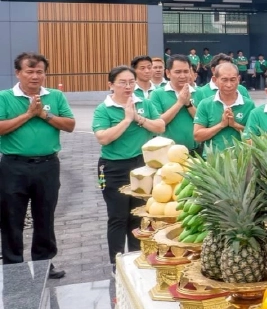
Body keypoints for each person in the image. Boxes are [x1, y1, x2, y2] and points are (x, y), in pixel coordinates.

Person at [0, 53, 75, 278]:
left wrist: (43, 114)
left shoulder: (55, 96)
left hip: (48, 165)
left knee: (45, 216)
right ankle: (14, 269)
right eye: (29, 71)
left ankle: (43, 264)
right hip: (14, 167)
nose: (35, 76)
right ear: (18, 73)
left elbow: (70, 125)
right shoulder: (4, 97)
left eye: (39, 72)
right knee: (11, 218)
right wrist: (28, 114)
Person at [92, 66, 165, 267]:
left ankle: (137, 258)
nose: (128, 86)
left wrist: (139, 118)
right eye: (122, 82)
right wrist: (126, 120)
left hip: (142, 166)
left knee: (138, 215)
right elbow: (103, 138)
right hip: (113, 167)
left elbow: (160, 126)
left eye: (131, 82)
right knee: (118, 217)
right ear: (111, 84)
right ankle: (117, 263)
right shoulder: (103, 109)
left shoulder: (144, 103)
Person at [193, 63, 256, 151]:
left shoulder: (249, 105)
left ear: (238, 79)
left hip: (241, 158)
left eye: (233, 80)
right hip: (213, 158)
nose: (229, 85)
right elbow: (197, 136)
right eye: (224, 80)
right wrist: (221, 125)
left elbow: (255, 136)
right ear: (215, 80)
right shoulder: (205, 104)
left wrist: (235, 125)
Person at [150, 55, 200, 156]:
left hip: (195, 151)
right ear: (168, 73)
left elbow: (203, 122)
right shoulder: (157, 94)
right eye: (178, 72)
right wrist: (179, 103)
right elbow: (159, 123)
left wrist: (188, 104)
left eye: (186, 71)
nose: (182, 76)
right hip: (167, 152)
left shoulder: (199, 92)